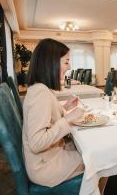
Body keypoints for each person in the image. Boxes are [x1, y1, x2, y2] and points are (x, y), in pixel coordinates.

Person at [22, 38, 85, 187]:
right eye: (66, 61)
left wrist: (66, 108)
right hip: (45, 166)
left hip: (46, 158)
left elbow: (47, 118)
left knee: (91, 151)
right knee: (97, 158)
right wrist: (68, 119)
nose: (69, 67)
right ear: (51, 63)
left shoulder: (40, 88)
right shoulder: (40, 93)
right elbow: (36, 143)